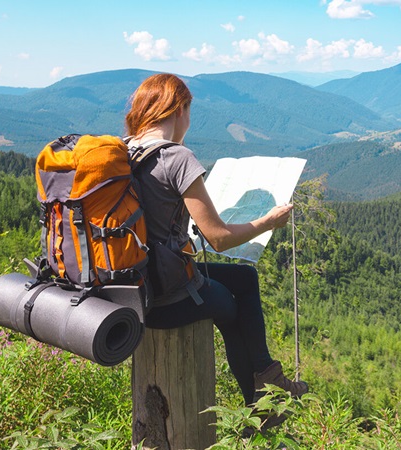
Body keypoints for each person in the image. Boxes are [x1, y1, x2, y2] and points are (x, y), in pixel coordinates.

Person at [124, 73, 308, 416]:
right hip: (164, 297)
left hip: (132, 287)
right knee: (232, 307)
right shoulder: (176, 158)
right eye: (189, 113)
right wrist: (269, 221)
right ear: (179, 110)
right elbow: (219, 240)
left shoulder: (125, 151)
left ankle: (266, 381)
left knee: (244, 279)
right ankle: (260, 407)